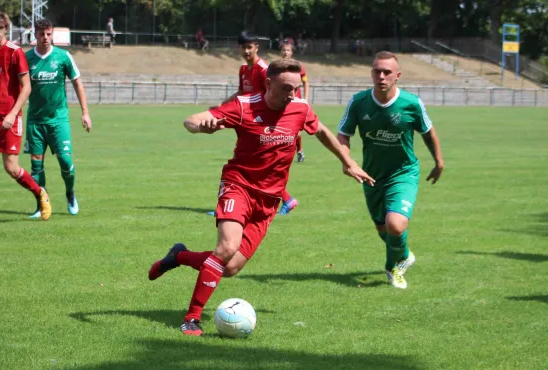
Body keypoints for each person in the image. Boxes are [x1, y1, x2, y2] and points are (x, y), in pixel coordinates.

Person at [149, 59, 372, 336]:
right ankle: (192, 318)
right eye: (286, 88)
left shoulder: (300, 108)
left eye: (296, 88)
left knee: (229, 268)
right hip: (238, 186)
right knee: (227, 248)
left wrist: (347, 161)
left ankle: (179, 256)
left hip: (269, 201)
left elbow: (323, 132)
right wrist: (200, 125)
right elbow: (190, 120)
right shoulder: (244, 106)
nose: (292, 94)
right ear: (268, 84)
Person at [336, 51, 444, 289]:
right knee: (382, 228)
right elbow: (343, 134)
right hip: (372, 175)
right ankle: (404, 255)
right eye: (377, 71)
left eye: (387, 72)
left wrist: (438, 161)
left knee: (395, 225)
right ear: (371, 73)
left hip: (403, 173)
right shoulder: (358, 102)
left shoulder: (411, 103)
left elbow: (428, 132)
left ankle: (392, 267)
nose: (381, 76)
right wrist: (348, 162)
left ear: (398, 76)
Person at [0, 10, 51, 226]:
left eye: (1, 27)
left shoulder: (15, 53)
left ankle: (40, 193)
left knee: (11, 167)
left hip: (8, 119)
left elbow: (26, 88)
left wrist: (12, 114)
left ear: (6, 29)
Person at [220, 31, 298, 215]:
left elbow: (270, 96)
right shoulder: (243, 69)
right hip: (246, 121)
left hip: (262, 123)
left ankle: (236, 204)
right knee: (251, 164)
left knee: (255, 165)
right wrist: (224, 105)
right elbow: (241, 92)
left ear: (256, 47)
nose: (247, 51)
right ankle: (241, 203)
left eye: (250, 47)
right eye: (243, 47)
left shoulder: (264, 70)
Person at [24, 19, 92, 218]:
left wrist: (85, 112)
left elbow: (78, 84)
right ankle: (41, 204)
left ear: (52, 34)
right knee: (36, 165)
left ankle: (70, 194)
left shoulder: (63, 57)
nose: (45, 38)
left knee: (65, 160)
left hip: (58, 120)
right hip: (35, 121)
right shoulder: (26, 58)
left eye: (48, 34)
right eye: (41, 34)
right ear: (34, 35)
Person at [280, 42, 309, 163]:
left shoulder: (298, 66)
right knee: (281, 128)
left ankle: (300, 151)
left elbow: (305, 82)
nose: (286, 52)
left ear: (292, 52)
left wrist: (305, 99)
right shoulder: (277, 66)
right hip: (281, 100)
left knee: (296, 130)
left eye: (288, 50)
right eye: (284, 50)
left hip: (295, 101)